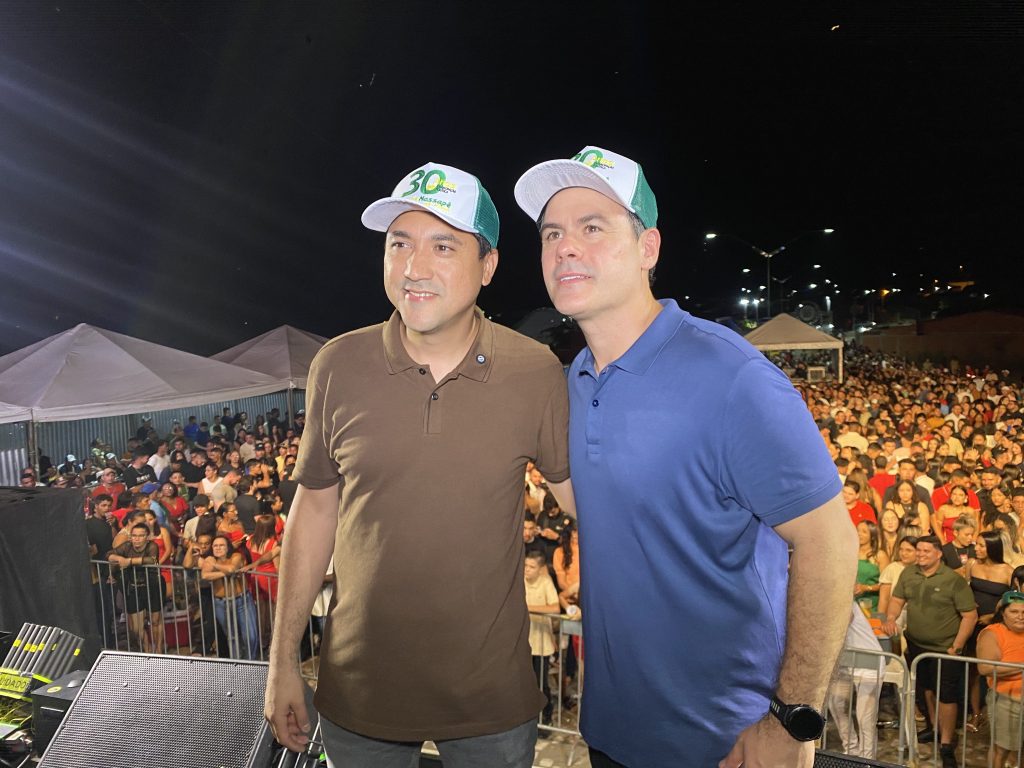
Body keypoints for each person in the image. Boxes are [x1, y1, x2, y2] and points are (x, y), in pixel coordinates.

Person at [513, 145, 856, 768]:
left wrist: (791, 720)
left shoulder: (732, 376)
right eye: (552, 233)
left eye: (593, 228)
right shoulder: (574, 381)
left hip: (724, 742)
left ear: (648, 248)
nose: (565, 248)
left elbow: (830, 543)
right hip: (611, 731)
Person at [264, 160, 573, 767]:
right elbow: (314, 511)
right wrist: (282, 662)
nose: (414, 267)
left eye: (443, 246)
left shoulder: (535, 371)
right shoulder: (337, 365)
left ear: (487, 266)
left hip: (490, 700)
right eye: (399, 243)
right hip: (359, 692)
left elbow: (587, 502)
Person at [881, 535, 978, 768]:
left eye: (926, 551)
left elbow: (970, 615)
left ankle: (946, 743)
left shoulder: (953, 580)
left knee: (946, 695)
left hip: (945, 650)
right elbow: (897, 599)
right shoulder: (909, 573)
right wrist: (891, 617)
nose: (920, 554)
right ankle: (934, 728)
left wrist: (956, 646)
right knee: (926, 688)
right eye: (919, 550)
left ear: (939, 553)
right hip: (916, 645)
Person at [827, 602, 885, 759]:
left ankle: (866, 760)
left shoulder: (843, 597)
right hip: (845, 662)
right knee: (836, 705)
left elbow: (841, 623)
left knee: (864, 717)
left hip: (870, 663)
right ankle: (851, 752)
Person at [976, 590, 1024, 768]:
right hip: (1007, 701)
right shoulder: (992, 633)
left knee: (1018, 753)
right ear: (1003, 613)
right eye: (1014, 611)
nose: (1020, 616)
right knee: (1001, 750)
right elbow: (985, 668)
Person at [524, 550, 560, 731]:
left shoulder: (546, 582)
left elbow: (555, 607)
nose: (527, 570)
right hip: (523, 641)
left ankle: (546, 717)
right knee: (524, 682)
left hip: (541, 643)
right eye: (525, 565)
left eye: (532, 567)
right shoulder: (519, 580)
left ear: (540, 569)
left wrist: (528, 607)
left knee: (541, 683)